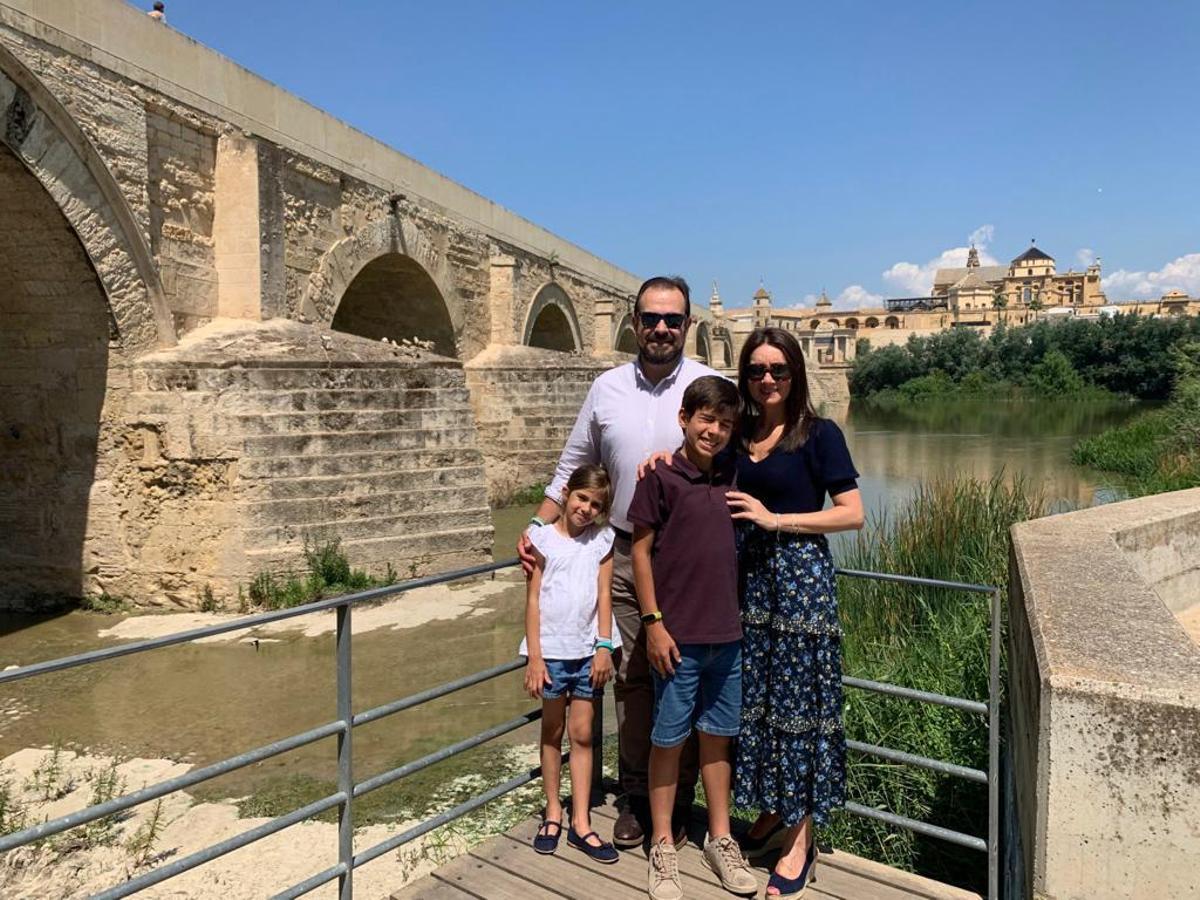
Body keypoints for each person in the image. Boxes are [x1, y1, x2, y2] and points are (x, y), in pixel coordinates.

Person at [519, 275, 720, 849]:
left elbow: (739, 459)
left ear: (688, 326)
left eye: (672, 320)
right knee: (633, 682)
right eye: (651, 319)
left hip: (690, 560)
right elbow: (570, 468)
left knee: (684, 679)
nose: (661, 328)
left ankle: (679, 802)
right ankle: (636, 798)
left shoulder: (712, 385)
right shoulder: (605, 388)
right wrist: (537, 528)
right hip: (624, 554)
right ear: (634, 323)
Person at [727, 327, 864, 898]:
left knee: (803, 706)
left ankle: (800, 838)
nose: (767, 380)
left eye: (778, 371)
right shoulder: (740, 433)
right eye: (757, 370)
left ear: (796, 375)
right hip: (750, 586)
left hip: (801, 585)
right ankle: (771, 810)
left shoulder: (819, 434)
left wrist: (776, 520)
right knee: (756, 701)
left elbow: (853, 514)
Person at [628, 376, 757, 900]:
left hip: (726, 635)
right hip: (675, 638)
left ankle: (721, 839)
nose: (715, 430)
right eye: (706, 419)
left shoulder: (733, 470)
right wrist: (653, 623)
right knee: (667, 740)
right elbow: (639, 553)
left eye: (725, 423)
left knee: (717, 737)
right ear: (683, 418)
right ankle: (662, 843)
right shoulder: (658, 476)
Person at [522, 463, 621, 864]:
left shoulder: (601, 543)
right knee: (552, 732)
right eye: (582, 498)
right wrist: (535, 657)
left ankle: (581, 821)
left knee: (582, 736)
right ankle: (552, 813)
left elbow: (604, 596)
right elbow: (532, 601)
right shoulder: (542, 539)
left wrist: (603, 646)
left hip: (585, 654)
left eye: (596, 504)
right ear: (566, 493)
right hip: (551, 654)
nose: (586, 508)